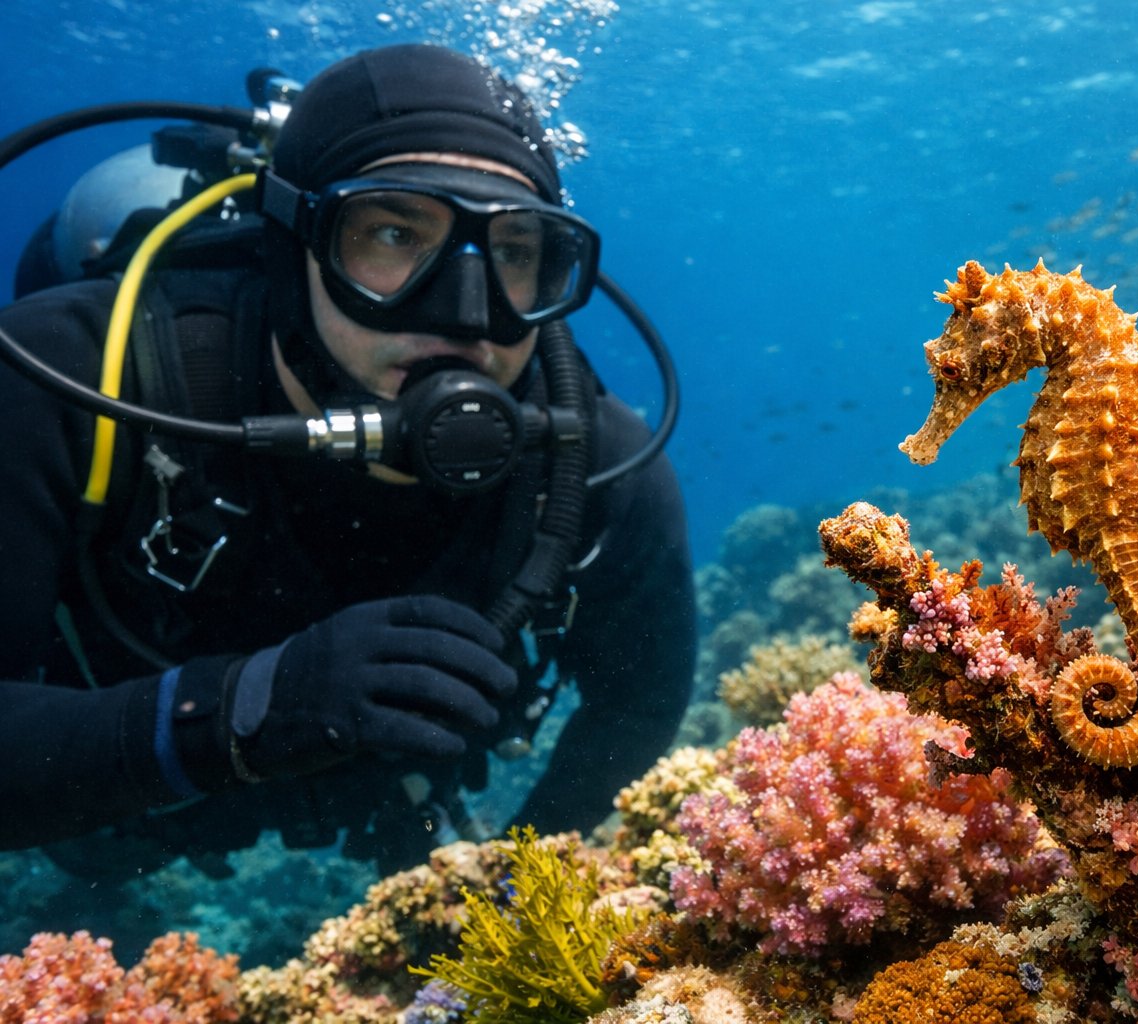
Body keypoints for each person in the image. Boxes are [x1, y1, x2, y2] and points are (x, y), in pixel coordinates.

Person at [0, 43, 696, 877]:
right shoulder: (68, 379)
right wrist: (237, 714)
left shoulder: (597, 467)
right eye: (395, 233)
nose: (466, 315)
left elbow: (640, 703)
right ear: (291, 245)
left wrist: (518, 891)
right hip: (123, 814)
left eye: (514, 251)